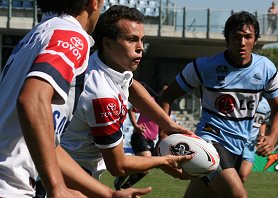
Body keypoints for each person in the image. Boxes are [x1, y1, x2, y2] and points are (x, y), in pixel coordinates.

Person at [0, 0, 152, 197]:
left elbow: (49, 142)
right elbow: (31, 99)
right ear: (94, 3)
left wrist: (108, 194)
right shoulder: (72, 36)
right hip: (10, 184)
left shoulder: (36, 35)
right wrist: (57, 187)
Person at [60, 4, 193, 189]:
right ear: (108, 43)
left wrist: (167, 124)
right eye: (131, 40)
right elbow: (118, 166)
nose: (141, 48)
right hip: (71, 180)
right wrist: (163, 161)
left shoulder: (103, 63)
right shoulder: (102, 95)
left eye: (141, 40)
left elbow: (132, 86)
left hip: (72, 170)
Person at [159, 11, 278, 198]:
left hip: (239, 148)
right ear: (227, 39)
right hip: (210, 142)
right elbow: (166, 97)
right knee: (238, 195)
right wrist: (163, 134)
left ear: (255, 40)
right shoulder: (204, 66)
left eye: (247, 37)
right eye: (236, 37)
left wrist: (273, 137)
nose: (242, 43)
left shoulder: (266, 69)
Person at [114, 83, 167, 190]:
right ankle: (122, 178)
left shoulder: (165, 106)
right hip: (140, 136)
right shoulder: (150, 101)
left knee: (145, 170)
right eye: (164, 91)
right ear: (160, 92)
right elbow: (131, 110)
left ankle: (124, 186)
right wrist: (136, 125)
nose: (165, 93)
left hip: (151, 140)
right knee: (146, 160)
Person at [239, 97, 271, 183]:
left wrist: (262, 135)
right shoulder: (243, 97)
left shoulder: (266, 104)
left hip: (250, 145)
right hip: (235, 141)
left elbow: (263, 121)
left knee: (243, 176)